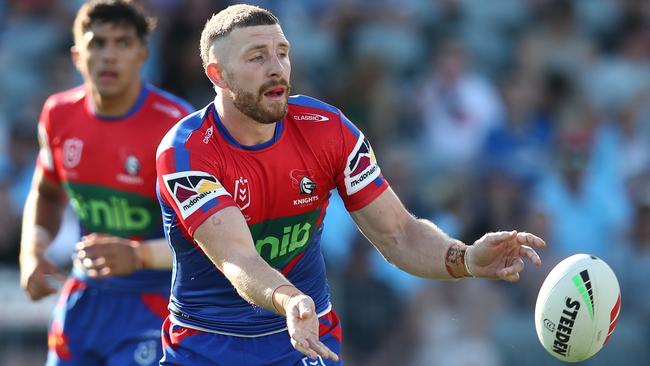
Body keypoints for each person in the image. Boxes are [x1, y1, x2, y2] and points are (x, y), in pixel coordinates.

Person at [155, 4, 545, 365]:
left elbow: (399, 234)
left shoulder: (329, 130)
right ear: (217, 74)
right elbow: (238, 258)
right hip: (206, 345)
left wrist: (467, 259)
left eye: (283, 52)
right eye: (257, 57)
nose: (277, 67)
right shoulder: (186, 151)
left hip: (306, 343)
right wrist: (290, 300)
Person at [18, 1, 193, 365]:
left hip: (156, 301)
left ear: (142, 54)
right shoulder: (57, 114)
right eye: (97, 43)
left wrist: (139, 255)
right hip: (86, 296)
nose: (109, 56)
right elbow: (47, 193)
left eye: (123, 43)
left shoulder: (176, 127)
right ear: (77, 55)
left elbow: (207, 238)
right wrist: (32, 252)